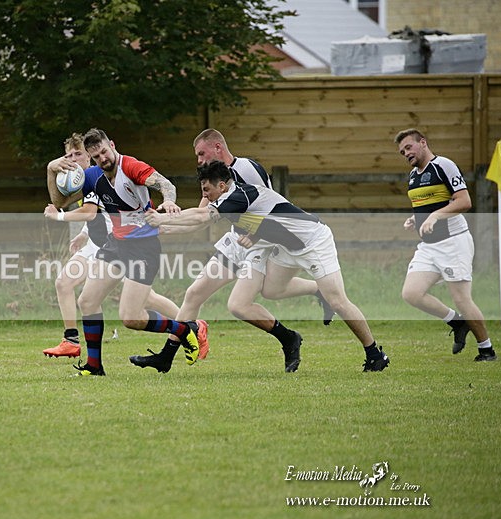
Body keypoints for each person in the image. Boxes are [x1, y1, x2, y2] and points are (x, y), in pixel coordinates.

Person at [144, 160, 390, 372]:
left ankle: (375, 354)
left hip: (314, 242)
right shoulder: (228, 197)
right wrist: (162, 227)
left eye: (207, 190)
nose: (205, 195)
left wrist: (162, 217)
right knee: (271, 290)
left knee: (338, 301)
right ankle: (316, 291)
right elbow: (200, 221)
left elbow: (200, 217)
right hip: (285, 248)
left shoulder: (237, 196)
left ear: (222, 185)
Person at [135, 128, 333, 373]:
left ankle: (289, 337)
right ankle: (165, 358)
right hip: (236, 240)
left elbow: (269, 206)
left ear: (217, 148)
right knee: (195, 293)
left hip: (258, 242)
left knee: (239, 305)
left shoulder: (247, 169)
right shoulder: (212, 178)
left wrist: (256, 235)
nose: (198, 160)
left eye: (201, 153)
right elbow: (203, 217)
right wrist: (164, 228)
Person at [44, 128, 208, 376]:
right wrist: (51, 169)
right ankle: (94, 366)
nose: (102, 159)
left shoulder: (130, 166)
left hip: (144, 248)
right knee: (87, 301)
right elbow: (58, 202)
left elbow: (164, 183)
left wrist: (170, 200)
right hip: (116, 244)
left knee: (131, 318)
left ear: (112, 144)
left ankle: (184, 329)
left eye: (103, 152)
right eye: (96, 156)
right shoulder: (92, 176)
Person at [394, 129, 497, 362]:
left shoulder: (444, 165)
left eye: (409, 147)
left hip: (453, 242)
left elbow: (464, 201)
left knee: (462, 299)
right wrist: (417, 219)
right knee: (411, 293)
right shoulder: (413, 175)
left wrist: (434, 217)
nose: (406, 153)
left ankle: (486, 349)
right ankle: (457, 323)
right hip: (428, 246)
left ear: (423, 142)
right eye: (402, 152)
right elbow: (428, 204)